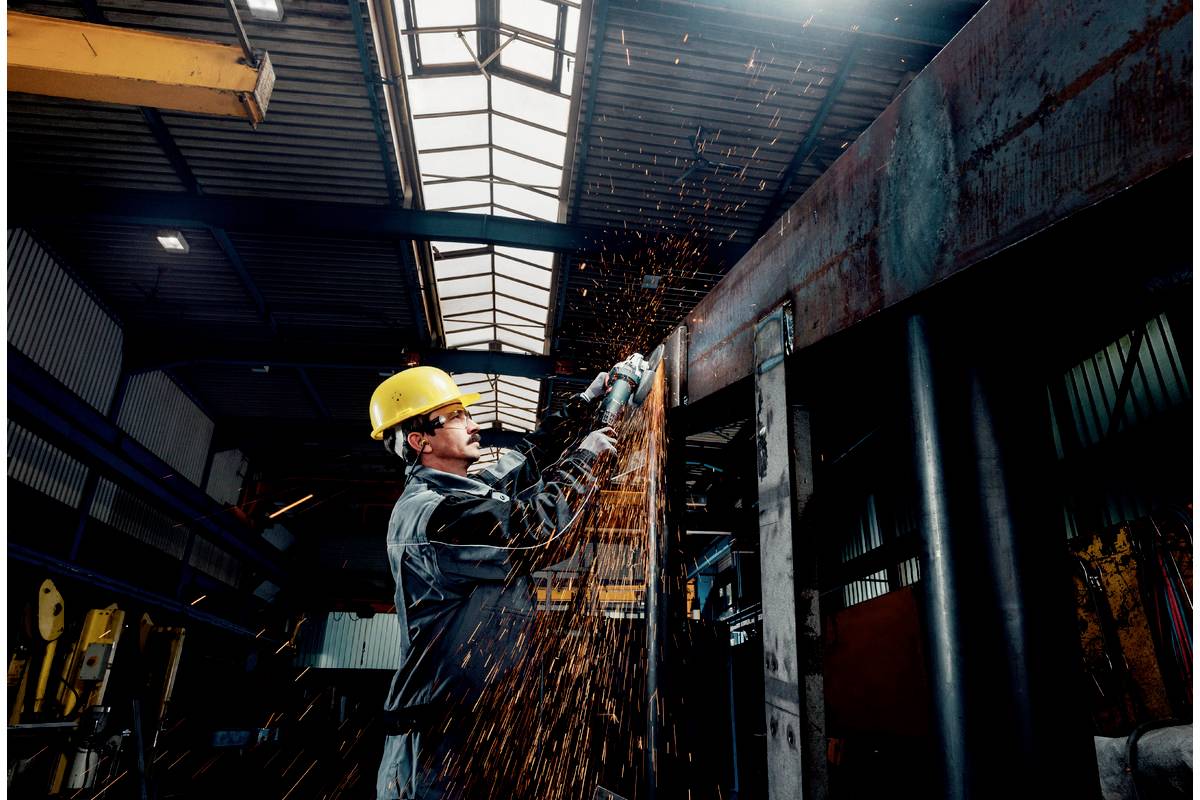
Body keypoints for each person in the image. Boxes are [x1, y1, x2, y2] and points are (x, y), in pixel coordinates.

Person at [368, 365, 618, 799]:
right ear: (419, 440)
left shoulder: (465, 495)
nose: (474, 423)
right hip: (435, 753)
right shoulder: (430, 516)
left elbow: (526, 461)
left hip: (471, 735)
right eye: (458, 416)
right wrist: (584, 461)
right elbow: (532, 534)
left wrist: (587, 401)